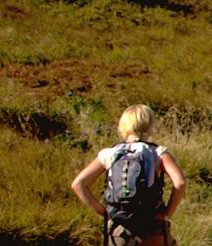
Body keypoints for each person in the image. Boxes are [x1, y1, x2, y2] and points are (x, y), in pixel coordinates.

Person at [71, 105, 187, 246]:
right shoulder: (158, 153)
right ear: (150, 125)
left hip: (119, 228)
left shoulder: (109, 154)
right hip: (152, 226)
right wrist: (167, 213)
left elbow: (78, 184)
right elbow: (180, 183)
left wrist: (104, 212)